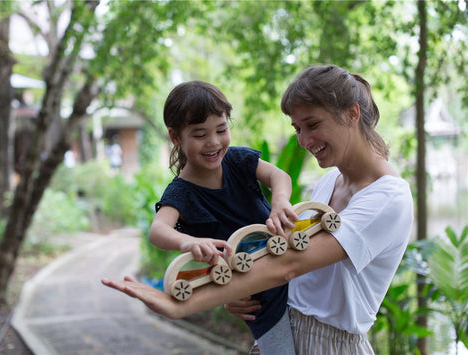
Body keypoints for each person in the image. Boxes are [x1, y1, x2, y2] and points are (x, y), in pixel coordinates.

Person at [102, 65, 414, 354]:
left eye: (313, 125)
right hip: (280, 324)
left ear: (352, 114)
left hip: (329, 343)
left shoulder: (387, 197)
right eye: (297, 129)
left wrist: (185, 304)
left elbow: (288, 266)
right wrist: (236, 290)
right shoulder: (330, 180)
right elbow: (286, 263)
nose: (303, 141)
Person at [147, 80, 299, 355]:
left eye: (221, 129)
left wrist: (279, 202)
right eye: (200, 134)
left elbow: (280, 176)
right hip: (259, 297)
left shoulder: (238, 161)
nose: (214, 142)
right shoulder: (181, 193)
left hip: (294, 266)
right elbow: (158, 230)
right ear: (175, 137)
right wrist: (186, 242)